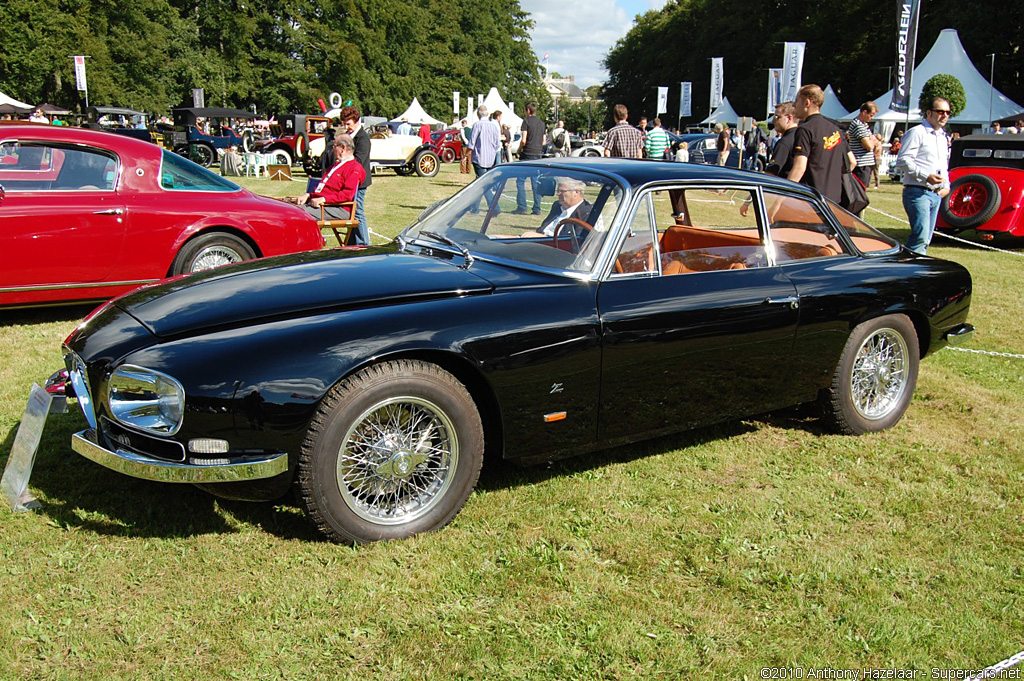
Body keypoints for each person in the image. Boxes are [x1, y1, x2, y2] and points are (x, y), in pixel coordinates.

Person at [896, 97, 952, 254]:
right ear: (929, 113)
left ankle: (916, 269)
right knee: (919, 236)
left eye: (948, 112)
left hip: (935, 194)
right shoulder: (916, 132)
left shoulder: (943, 136)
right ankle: (908, 270)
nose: (944, 115)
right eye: (940, 111)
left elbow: (943, 164)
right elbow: (903, 160)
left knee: (926, 238)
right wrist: (925, 176)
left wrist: (946, 186)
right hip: (917, 191)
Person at [787, 84, 847, 203]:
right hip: (834, 200)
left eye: (797, 101)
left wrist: (783, 197)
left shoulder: (805, 129)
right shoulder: (835, 130)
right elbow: (850, 162)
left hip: (812, 199)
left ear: (807, 103)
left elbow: (799, 168)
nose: (794, 105)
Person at [291, 135, 366, 222]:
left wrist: (324, 199)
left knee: (294, 213)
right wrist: (308, 195)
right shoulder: (335, 166)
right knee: (284, 207)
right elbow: (323, 188)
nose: (332, 149)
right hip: (322, 205)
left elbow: (347, 195)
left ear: (342, 148)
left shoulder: (354, 168)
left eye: (334, 146)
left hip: (338, 208)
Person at [339, 105, 372, 245]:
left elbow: (358, 161)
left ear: (356, 120)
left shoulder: (363, 139)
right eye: (344, 124)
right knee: (352, 212)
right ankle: (351, 243)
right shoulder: (350, 136)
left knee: (358, 212)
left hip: (360, 182)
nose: (347, 127)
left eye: (349, 124)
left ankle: (364, 244)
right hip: (350, 181)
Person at [469, 105, 501, 211]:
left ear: (478, 114)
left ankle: (495, 207)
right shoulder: (493, 126)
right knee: (480, 182)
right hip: (491, 159)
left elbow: (471, 143)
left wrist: (466, 155)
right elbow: (497, 144)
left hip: (479, 158)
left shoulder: (477, 125)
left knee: (483, 185)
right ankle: (475, 207)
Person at [515, 102, 545, 214]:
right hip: (538, 154)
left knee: (520, 181)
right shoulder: (542, 123)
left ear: (528, 110)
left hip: (527, 154)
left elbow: (523, 139)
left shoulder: (526, 121)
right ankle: (537, 208)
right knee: (535, 181)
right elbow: (543, 142)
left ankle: (522, 207)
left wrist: (519, 149)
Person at [848, 101, 879, 190]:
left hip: (865, 164)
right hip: (861, 164)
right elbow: (869, 146)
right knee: (859, 191)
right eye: (871, 115)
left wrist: (871, 140)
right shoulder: (858, 125)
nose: (872, 118)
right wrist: (872, 141)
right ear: (864, 112)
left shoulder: (864, 125)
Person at [766, 101, 799, 177]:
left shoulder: (784, 142)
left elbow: (770, 175)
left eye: (777, 117)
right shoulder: (802, 137)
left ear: (789, 118)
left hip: (785, 186)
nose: (773, 121)